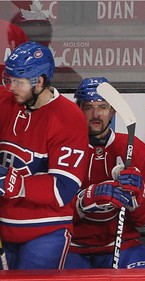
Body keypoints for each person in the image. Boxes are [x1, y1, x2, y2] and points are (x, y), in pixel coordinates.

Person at [0, 41, 89, 269]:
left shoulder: (68, 118)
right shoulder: (7, 101)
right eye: (8, 80)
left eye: (18, 82)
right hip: (4, 227)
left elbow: (64, 187)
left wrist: (14, 183)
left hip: (46, 231)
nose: (11, 87)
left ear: (39, 81)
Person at [64, 77, 145, 269]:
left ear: (113, 111)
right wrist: (82, 202)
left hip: (123, 243)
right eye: (88, 107)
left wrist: (138, 198)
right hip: (72, 245)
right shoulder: (65, 148)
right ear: (79, 110)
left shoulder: (134, 148)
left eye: (102, 107)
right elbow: (50, 208)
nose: (96, 114)